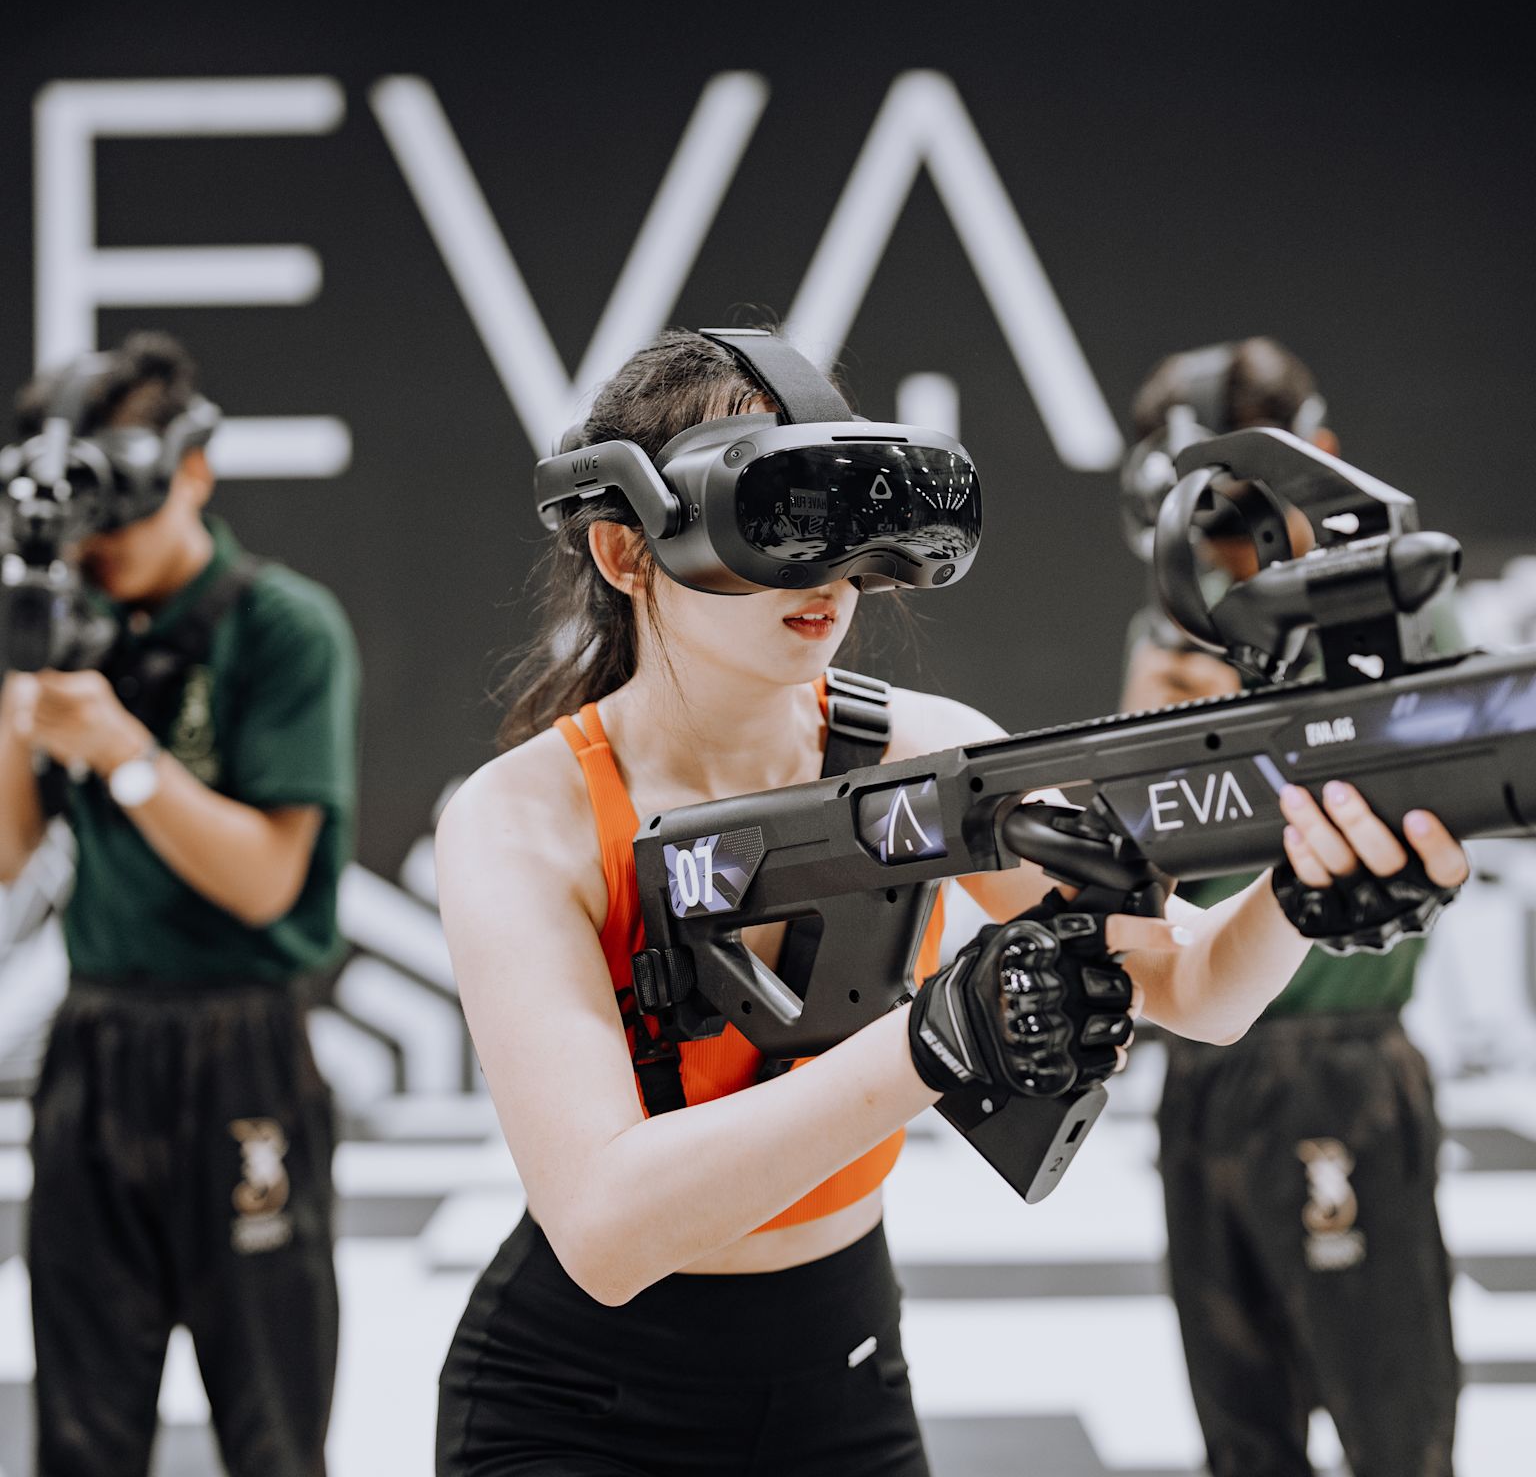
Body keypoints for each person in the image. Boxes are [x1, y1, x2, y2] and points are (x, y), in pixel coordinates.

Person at [433, 326, 1468, 1477]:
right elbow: (607, 1228)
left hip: (846, 1380)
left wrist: (1303, 894)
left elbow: (1196, 986)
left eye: (850, 516)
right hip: (574, 1410)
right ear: (627, 549)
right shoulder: (521, 820)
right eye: (774, 516)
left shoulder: (933, 752)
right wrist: (937, 1040)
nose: (828, 572)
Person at [0, 333, 360, 1477]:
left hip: (241, 1045)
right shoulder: (67, 629)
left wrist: (124, 753)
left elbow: (269, 882)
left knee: (272, 1427)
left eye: (120, 522)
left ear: (192, 474)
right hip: (95, 1046)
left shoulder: (281, 627)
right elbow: (9, 854)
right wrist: (21, 690)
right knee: (81, 1433)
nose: (98, 554)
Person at [1120, 337, 1462, 1477]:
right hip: (1205, 1064)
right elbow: (1144, 869)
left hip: (1340, 1061)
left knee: (1391, 1427)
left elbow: (1429, 819)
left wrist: (1284, 719)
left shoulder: (1397, 609)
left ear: (1312, 459)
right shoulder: (1176, 627)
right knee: (1239, 1436)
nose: (1220, 538)